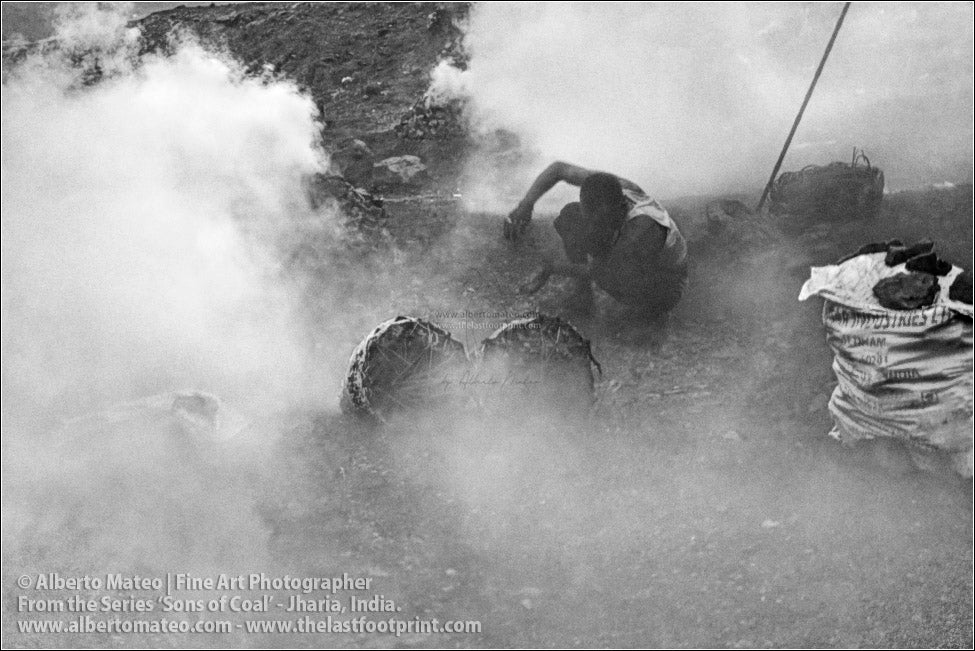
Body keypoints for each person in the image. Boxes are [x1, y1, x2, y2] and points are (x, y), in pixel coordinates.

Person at [505, 161, 688, 333]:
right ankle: (583, 294)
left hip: (664, 281)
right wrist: (525, 206)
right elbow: (558, 169)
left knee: (617, 278)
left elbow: (602, 271)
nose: (593, 227)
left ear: (619, 206)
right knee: (570, 216)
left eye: (601, 220)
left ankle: (649, 314)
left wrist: (551, 269)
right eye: (590, 218)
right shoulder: (617, 188)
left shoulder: (643, 229)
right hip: (626, 247)